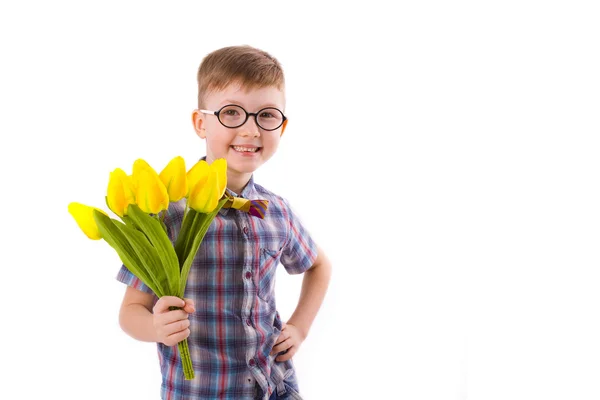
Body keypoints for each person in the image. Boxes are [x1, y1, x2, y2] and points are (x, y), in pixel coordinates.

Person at [117, 45, 332, 400]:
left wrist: (300, 327)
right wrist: (156, 326)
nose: (250, 130)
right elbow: (129, 312)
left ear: (283, 125)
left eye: (266, 115)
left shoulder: (275, 210)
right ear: (201, 123)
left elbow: (319, 265)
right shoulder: (165, 213)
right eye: (231, 113)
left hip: (274, 386)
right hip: (200, 391)